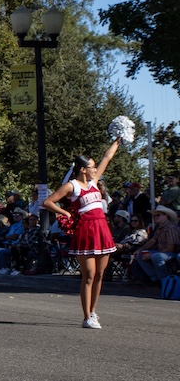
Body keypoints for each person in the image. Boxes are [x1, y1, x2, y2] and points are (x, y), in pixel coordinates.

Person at [43, 139, 121, 329]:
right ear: (83, 169)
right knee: (89, 275)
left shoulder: (94, 182)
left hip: (102, 228)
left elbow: (107, 157)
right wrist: (66, 213)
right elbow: (48, 202)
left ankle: (93, 311)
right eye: (92, 167)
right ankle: (86, 316)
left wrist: (117, 140)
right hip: (86, 230)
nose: (95, 170)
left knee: (101, 274)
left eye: (95, 167)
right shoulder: (72, 186)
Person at [134, 206, 179, 285]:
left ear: (166, 215)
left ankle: (165, 280)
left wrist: (151, 254)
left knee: (157, 256)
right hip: (163, 251)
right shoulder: (159, 227)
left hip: (171, 252)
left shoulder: (171, 228)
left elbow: (171, 248)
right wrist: (140, 250)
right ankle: (155, 278)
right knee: (140, 255)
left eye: (158, 215)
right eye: (154, 216)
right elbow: (153, 240)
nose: (155, 217)